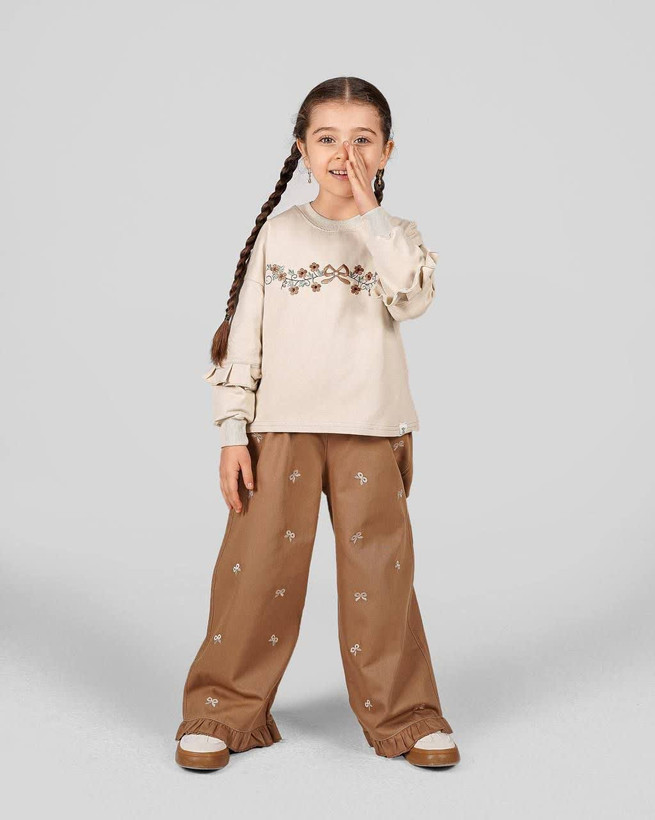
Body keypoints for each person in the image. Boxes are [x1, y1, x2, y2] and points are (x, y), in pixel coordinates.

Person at [174, 76, 459, 771]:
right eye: (327, 138)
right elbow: (244, 339)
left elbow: (412, 299)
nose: (344, 153)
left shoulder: (396, 237)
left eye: (363, 139)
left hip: (372, 427)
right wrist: (232, 433)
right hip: (280, 430)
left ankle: (405, 714)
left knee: (380, 575)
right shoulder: (280, 233)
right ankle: (222, 709)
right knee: (254, 571)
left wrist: (370, 211)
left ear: (387, 150)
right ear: (302, 149)